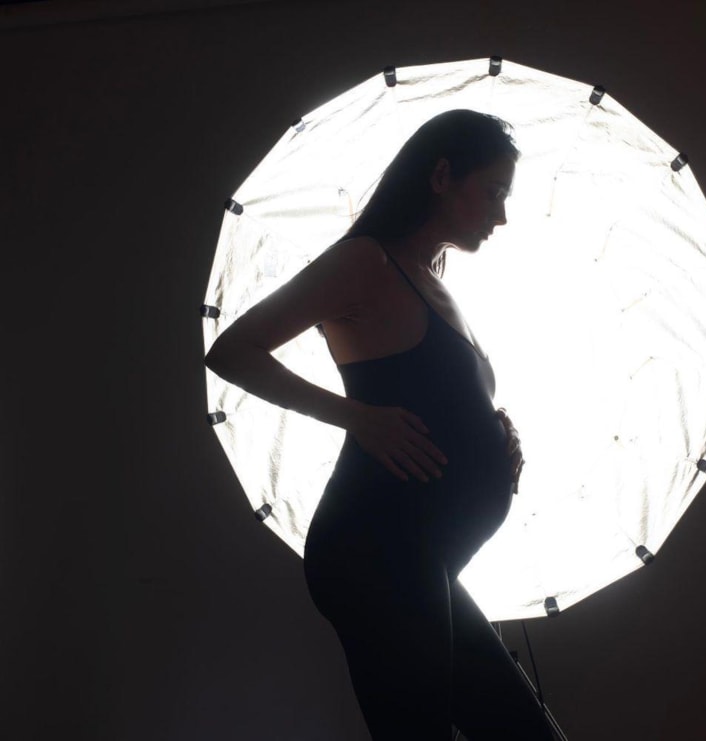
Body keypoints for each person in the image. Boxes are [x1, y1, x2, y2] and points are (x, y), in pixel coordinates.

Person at [205, 109, 553, 740]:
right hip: (373, 548)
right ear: (441, 176)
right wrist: (355, 418)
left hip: (418, 556)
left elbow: (437, 393)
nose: (501, 216)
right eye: (494, 192)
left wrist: (496, 429)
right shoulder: (367, 262)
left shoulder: (432, 277)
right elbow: (232, 351)